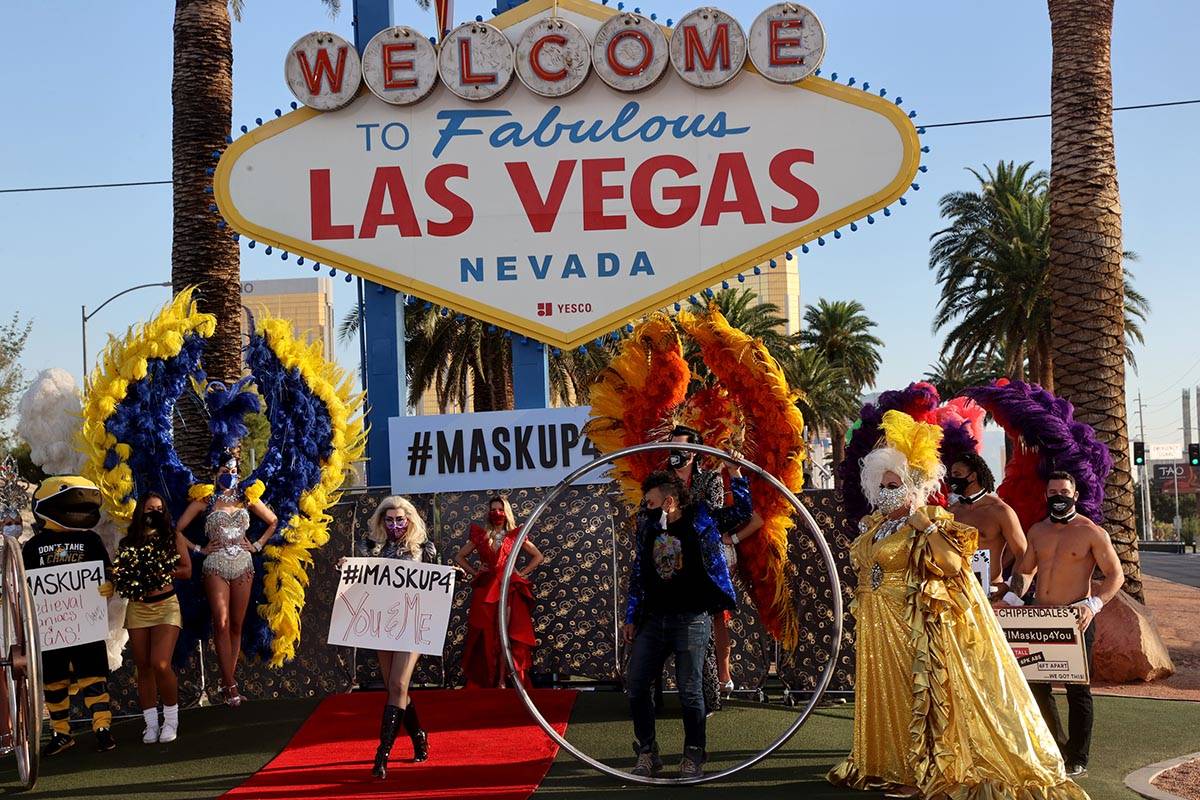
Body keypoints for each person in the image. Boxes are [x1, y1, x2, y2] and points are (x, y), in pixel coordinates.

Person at [828, 411, 1087, 800]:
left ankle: (920, 771)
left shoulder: (933, 521)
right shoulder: (876, 525)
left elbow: (952, 565)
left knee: (917, 697)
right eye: (881, 486)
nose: (886, 493)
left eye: (893, 485)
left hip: (910, 626)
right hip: (876, 624)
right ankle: (885, 762)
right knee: (888, 696)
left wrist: (927, 528)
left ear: (914, 486)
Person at [624, 466, 751, 779]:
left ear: (669, 500)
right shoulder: (647, 525)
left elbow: (743, 512)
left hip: (691, 617)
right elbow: (639, 571)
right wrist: (630, 615)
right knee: (637, 684)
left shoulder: (700, 517)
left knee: (690, 689)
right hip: (653, 618)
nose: (645, 508)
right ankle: (647, 751)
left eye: (650, 502)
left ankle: (693, 754)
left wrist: (734, 474)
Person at [1004, 471, 1125, 779]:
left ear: (1075, 495)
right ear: (1046, 496)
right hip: (1039, 619)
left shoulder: (1091, 532)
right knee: (1037, 688)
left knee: (1078, 691)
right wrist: (1014, 599)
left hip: (1075, 619)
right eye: (1053, 491)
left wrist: (1093, 605)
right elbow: (1026, 571)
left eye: (1064, 491)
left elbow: (1116, 575)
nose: (1059, 495)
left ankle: (1078, 757)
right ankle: (1056, 750)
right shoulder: (1037, 531)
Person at [22, 476, 117, 756]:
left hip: (85, 624)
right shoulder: (33, 547)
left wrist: (108, 585)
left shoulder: (91, 539)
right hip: (51, 627)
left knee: (93, 676)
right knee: (53, 680)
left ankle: (102, 727)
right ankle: (61, 732)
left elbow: (107, 569)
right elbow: (22, 582)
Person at [345, 496, 437, 778]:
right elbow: (362, 579)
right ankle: (419, 736)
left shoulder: (424, 548)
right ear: (381, 521)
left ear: (409, 520)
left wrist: (450, 576)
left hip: (412, 623)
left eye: (400, 519)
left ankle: (381, 755)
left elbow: (433, 583)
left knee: (398, 683)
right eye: (390, 519)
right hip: (382, 622)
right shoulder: (369, 546)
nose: (395, 524)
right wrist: (347, 566)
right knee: (395, 689)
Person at [176, 451, 277, 706]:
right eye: (224, 472)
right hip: (215, 565)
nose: (228, 476)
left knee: (236, 625)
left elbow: (273, 521)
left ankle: (226, 682)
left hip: (243, 564)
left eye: (232, 473)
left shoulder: (247, 499)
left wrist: (257, 544)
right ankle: (231, 685)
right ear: (214, 474)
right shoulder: (206, 500)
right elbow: (177, 530)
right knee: (220, 622)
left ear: (238, 474)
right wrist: (198, 548)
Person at [114, 492, 192, 744]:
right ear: (141, 511)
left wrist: (159, 569)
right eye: (149, 509)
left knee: (160, 663)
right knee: (143, 666)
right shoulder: (129, 542)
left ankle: (171, 720)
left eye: (159, 509)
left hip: (166, 606)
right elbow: (121, 572)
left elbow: (186, 570)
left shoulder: (173, 537)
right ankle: (150, 724)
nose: (154, 513)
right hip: (138, 608)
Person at [455, 496, 543, 689]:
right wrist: (475, 572)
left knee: (506, 632)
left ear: (507, 512)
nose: (496, 513)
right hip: (487, 588)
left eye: (500, 509)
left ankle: (504, 678)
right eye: (493, 509)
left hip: (508, 587)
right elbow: (459, 556)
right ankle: (491, 677)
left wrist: (521, 572)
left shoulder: (515, 535)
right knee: (488, 633)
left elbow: (538, 556)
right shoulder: (481, 535)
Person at [946, 450, 1027, 596]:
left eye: (957, 475)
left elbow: (1022, 553)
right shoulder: (951, 511)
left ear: (973, 476)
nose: (953, 480)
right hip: (956, 595)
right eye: (952, 475)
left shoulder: (1000, 511)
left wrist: (1008, 588)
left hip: (990, 593)